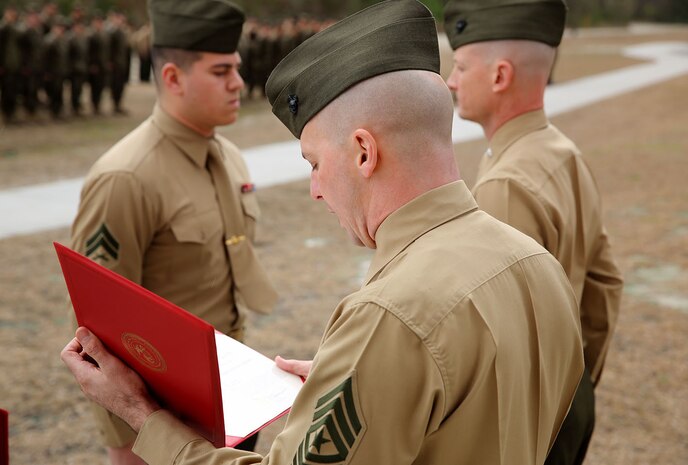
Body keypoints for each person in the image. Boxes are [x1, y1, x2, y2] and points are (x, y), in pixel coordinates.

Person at [62, 1, 584, 464]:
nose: (314, 189)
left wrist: (140, 414)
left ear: (363, 151)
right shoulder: (537, 265)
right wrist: (366, 380)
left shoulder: (390, 318)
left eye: (313, 162)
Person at [68, 0, 278, 463]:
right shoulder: (126, 177)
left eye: (236, 69)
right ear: (172, 78)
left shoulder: (228, 156)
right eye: (221, 71)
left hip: (232, 395)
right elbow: (95, 327)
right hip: (161, 422)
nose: (239, 83)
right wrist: (126, 440)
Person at [443, 1, 624, 464]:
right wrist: (579, 384)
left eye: (461, 66)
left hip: (528, 422)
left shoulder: (506, 181)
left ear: (500, 75)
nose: (451, 80)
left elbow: (498, 347)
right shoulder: (561, 151)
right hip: (570, 395)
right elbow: (604, 284)